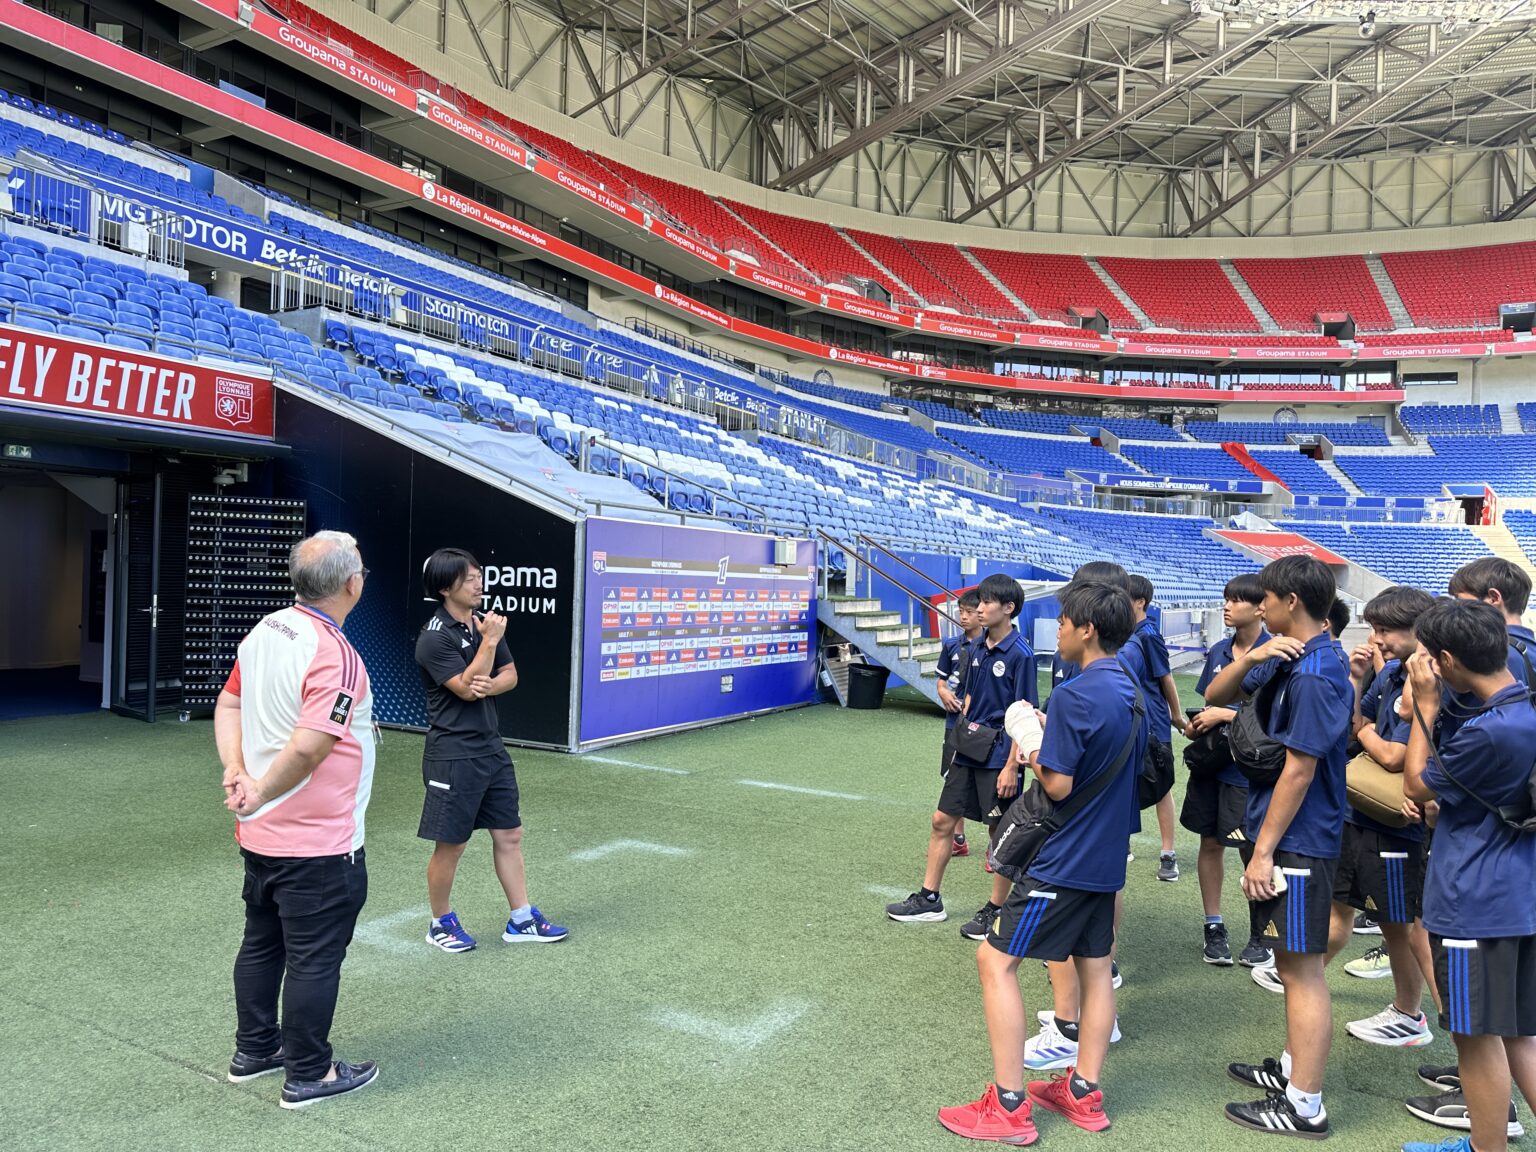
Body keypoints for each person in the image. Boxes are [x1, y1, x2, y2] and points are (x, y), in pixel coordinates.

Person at [938, 581, 1146, 1144]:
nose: (1058, 629)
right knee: (1096, 968)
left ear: (1088, 630)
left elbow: (1057, 784)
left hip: (1063, 860)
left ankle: (1008, 1106)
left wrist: (1029, 738)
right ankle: (1083, 1091)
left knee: (995, 961)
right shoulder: (1131, 688)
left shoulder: (1077, 693)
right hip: (1106, 857)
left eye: (1064, 621)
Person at [216, 531, 379, 1109]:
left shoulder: (267, 628)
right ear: (351, 584)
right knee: (314, 958)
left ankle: (256, 1050)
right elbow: (312, 745)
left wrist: (238, 771)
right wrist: (257, 787)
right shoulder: (334, 653)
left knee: (262, 944)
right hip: (319, 842)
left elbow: (229, 701)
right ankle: (310, 1072)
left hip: (263, 835)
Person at [1204, 555, 1353, 1139]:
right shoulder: (1291, 655)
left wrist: (1263, 851)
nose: (1259, 605)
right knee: (1293, 965)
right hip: (1291, 831)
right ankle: (1294, 1074)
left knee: (1303, 970)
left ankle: (1305, 1106)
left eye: (1266, 597)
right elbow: (1215, 692)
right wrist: (1253, 657)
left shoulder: (1315, 671)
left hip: (1300, 837)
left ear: (1292, 600)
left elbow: (1300, 768)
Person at [1400, 597, 1536, 1152]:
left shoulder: (1491, 730)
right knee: (1518, 1034)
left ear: (1448, 661)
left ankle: (1487, 1147)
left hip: (1472, 899)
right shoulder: (1523, 708)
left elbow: (1415, 784)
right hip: (1516, 892)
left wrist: (1426, 704)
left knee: (1475, 1038)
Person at [415, 548, 567, 951]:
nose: (479, 584)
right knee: (453, 844)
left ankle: (521, 919)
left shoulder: (482, 623)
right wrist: (489, 644)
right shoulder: (433, 637)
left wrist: (491, 681)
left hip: (490, 749)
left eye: (479, 576)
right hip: (452, 755)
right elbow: (465, 689)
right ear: (445, 587)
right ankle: (440, 923)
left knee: (510, 833)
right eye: (469, 579)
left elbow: (510, 674)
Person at [1322, 586, 1439, 1047]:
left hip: (1399, 823)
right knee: (1359, 909)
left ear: (1419, 630)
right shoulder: (1390, 673)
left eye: (1386, 629)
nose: (1377, 639)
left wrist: (1371, 736)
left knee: (1403, 925)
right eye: (1373, 628)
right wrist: (1356, 681)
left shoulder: (1429, 681)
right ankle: (1302, 969)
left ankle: (1412, 1014)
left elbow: (1395, 756)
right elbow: (1355, 727)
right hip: (1365, 810)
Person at [887, 574, 1037, 933]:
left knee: (1000, 833)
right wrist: (958, 743)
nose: (979, 609)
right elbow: (968, 698)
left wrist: (1011, 766)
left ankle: (995, 911)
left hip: (999, 754)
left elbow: (1025, 712)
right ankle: (929, 899)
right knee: (942, 820)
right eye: (978, 602)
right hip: (967, 748)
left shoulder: (1021, 654)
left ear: (1009, 608)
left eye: (986, 602)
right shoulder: (974, 647)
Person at [1183, 572, 1273, 968]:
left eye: (1236, 600)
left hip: (1248, 771)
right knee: (1210, 843)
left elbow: (1273, 719)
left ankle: (1261, 932)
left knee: (1253, 850)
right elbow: (1209, 700)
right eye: (1226, 598)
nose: (1227, 606)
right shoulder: (1220, 649)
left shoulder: (1275, 651)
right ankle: (1213, 926)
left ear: (1261, 608)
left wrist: (1226, 714)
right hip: (1212, 765)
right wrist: (1198, 723)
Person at [1123, 574, 1186, 882]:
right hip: (1130, 721)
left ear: (1140, 602)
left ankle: (1168, 853)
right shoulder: (1125, 633)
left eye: (1124, 596)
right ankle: (1122, 842)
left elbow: (1166, 677)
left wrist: (1176, 716)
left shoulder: (1148, 635)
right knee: (1124, 781)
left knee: (1161, 787)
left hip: (1155, 724)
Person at [936, 590, 984, 859]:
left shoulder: (990, 647)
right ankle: (958, 839)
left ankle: (996, 846)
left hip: (984, 726)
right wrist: (943, 692)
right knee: (952, 778)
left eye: (969, 612)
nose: (964, 617)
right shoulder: (951, 645)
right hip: (954, 723)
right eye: (961, 611)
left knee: (989, 782)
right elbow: (941, 681)